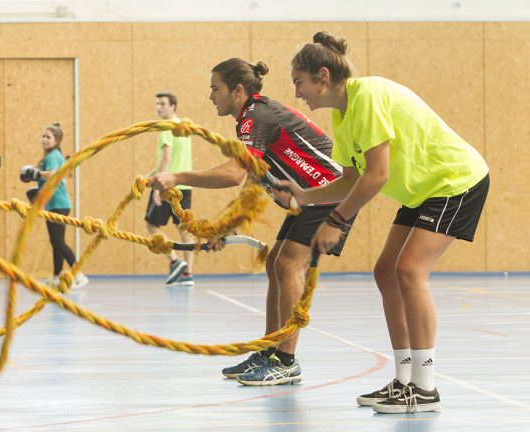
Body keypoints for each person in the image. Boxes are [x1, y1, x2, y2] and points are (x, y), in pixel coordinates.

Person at [286, 32, 489, 413]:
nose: (298, 93)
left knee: (409, 271)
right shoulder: (341, 115)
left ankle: (425, 388)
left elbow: (376, 176)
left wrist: (336, 220)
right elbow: (350, 178)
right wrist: (302, 194)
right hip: (423, 192)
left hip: (456, 181)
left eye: (299, 83)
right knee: (385, 272)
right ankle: (403, 379)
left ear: (322, 76)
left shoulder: (369, 95)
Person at [150, 58, 353, 386]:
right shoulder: (252, 116)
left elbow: (233, 174)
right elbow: (253, 183)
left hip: (328, 191)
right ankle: (271, 350)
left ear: (238, 90)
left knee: (288, 265)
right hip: (312, 193)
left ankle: (286, 360)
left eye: (216, 89)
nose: (211, 96)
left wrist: (176, 176)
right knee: (275, 261)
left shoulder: (257, 116)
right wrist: (225, 228)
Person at [20, 123, 89, 290]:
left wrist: (35, 173)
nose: (44, 139)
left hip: (59, 204)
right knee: (55, 242)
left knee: (58, 242)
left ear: (56, 140)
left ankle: (79, 274)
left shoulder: (53, 156)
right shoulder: (49, 157)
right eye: (43, 136)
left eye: (48, 137)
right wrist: (33, 183)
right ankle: (58, 276)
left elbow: (53, 175)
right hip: (52, 204)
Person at [145, 92, 196, 286]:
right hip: (185, 185)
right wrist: (150, 175)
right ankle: (188, 274)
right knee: (184, 229)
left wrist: (157, 187)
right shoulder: (184, 128)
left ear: (173, 106)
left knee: (151, 224)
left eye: (163, 104)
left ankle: (174, 261)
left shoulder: (166, 128)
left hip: (168, 185)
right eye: (157, 103)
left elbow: (166, 158)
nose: (158, 107)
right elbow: (172, 160)